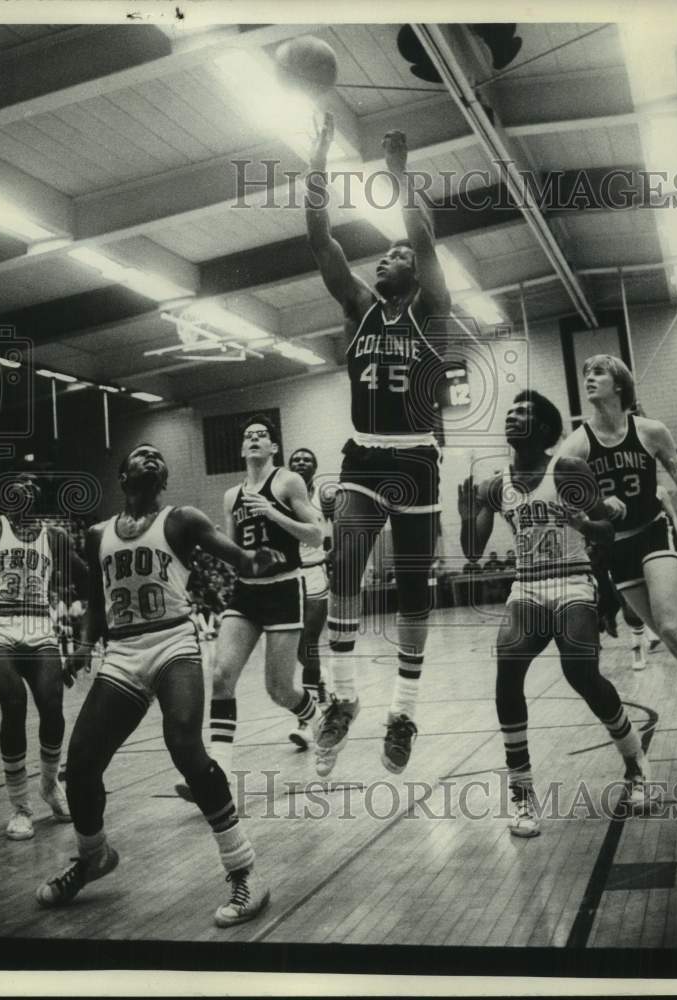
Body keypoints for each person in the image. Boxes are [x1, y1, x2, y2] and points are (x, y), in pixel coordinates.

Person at [36, 444, 276, 927]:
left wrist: (257, 560)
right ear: (123, 475)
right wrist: (84, 645)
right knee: (81, 763)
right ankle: (93, 856)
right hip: (122, 653)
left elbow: (239, 559)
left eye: (158, 457)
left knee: (184, 742)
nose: (151, 457)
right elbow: (97, 605)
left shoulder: (182, 519)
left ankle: (243, 869)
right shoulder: (98, 534)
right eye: (141, 453)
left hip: (173, 644)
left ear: (163, 478)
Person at [305, 112, 453, 776]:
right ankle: (343, 700)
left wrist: (397, 174)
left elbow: (421, 233)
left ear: (414, 274)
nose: (388, 256)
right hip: (364, 455)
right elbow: (319, 237)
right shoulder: (357, 308)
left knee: (415, 592)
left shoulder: (433, 310)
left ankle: (403, 712)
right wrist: (315, 158)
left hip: (416, 457)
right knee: (343, 569)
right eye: (384, 254)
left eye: (396, 256)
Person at [466, 391, 655, 837]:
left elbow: (608, 530)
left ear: (547, 430)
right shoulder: (496, 485)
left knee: (580, 673)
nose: (512, 417)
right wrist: (467, 513)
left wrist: (587, 527)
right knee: (507, 669)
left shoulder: (567, 470)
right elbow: (473, 551)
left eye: (524, 413)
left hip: (572, 579)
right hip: (527, 587)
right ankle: (521, 790)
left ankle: (636, 764)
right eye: (509, 412)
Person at [176, 416, 323, 793]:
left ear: (274, 447)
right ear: (242, 449)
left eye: (262, 436)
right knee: (222, 677)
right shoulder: (230, 496)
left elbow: (318, 532)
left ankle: (319, 717)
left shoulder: (288, 481)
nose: (255, 439)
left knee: (279, 689)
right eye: (248, 436)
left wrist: (273, 512)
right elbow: (233, 550)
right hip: (246, 591)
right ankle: (215, 775)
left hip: (284, 588)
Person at [558, 356, 677, 693]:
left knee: (672, 628)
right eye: (586, 373)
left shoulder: (651, 430)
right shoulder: (576, 445)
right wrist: (593, 504)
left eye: (598, 372)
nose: (589, 379)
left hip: (654, 530)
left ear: (619, 384)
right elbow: (561, 501)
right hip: (616, 547)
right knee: (674, 642)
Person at [0, 472, 86, 840]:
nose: (26, 487)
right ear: (6, 495)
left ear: (40, 496)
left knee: (53, 707)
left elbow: (85, 577)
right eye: (18, 483)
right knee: (14, 704)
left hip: (39, 626)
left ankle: (50, 784)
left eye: (33, 483)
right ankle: (20, 808)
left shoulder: (54, 537)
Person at [286, 447, 332, 749]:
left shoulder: (325, 497)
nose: (301, 462)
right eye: (296, 459)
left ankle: (306, 721)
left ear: (315, 467)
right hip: (288, 576)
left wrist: (338, 557)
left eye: (307, 459)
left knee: (309, 642)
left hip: (315, 572)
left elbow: (340, 529)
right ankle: (322, 680)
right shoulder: (280, 494)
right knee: (299, 650)